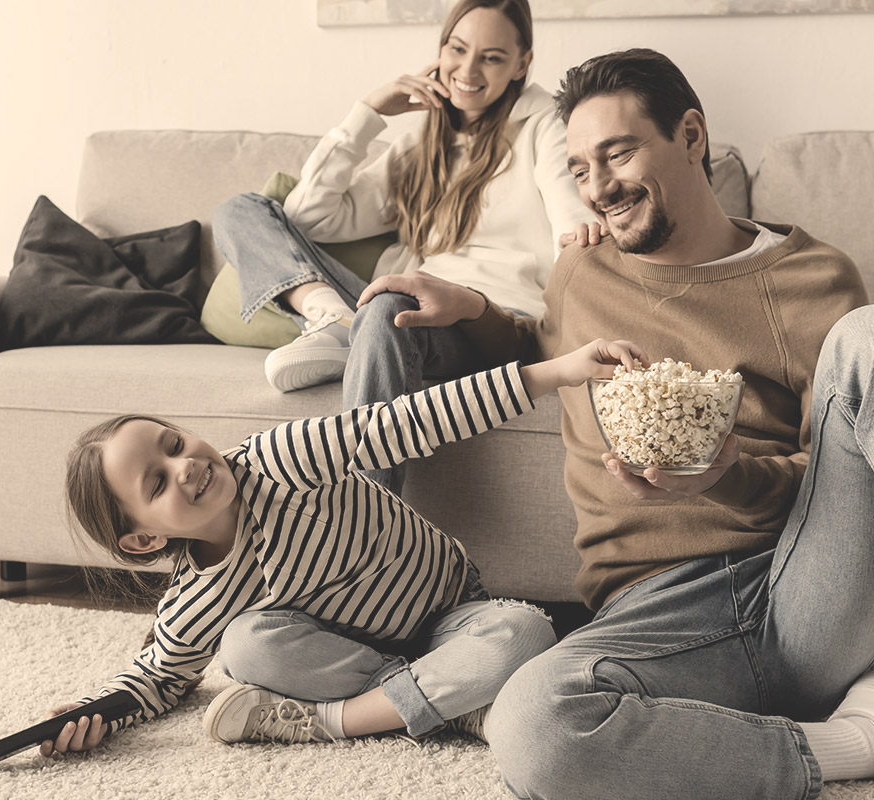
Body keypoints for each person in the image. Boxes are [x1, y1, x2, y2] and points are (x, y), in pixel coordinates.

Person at [357, 48, 872, 798]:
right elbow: (545, 350)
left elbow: (836, 477)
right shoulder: (583, 272)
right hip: (655, 615)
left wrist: (727, 477)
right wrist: (477, 311)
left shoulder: (812, 278)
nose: (598, 187)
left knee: (868, 339)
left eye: (617, 154)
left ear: (691, 136)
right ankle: (845, 743)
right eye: (579, 168)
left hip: (804, 589)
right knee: (532, 722)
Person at [36, 338, 654, 757]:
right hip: (351, 660)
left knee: (522, 632)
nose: (186, 466)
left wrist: (560, 370)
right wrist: (91, 716)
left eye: (173, 444)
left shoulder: (279, 461)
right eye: (157, 482)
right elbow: (156, 681)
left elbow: (409, 421)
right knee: (244, 646)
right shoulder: (197, 601)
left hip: (449, 615)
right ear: (145, 537)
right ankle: (450, 705)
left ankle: (338, 722)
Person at [212, 0, 593, 493]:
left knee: (388, 306)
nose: (468, 70)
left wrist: (566, 313)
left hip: (488, 321)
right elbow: (308, 218)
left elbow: (574, 228)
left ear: (522, 64)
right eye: (458, 49)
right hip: (398, 307)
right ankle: (334, 318)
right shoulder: (420, 145)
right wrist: (368, 113)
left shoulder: (547, 125)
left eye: (492, 57)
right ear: (440, 50)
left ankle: (368, 520)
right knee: (241, 209)